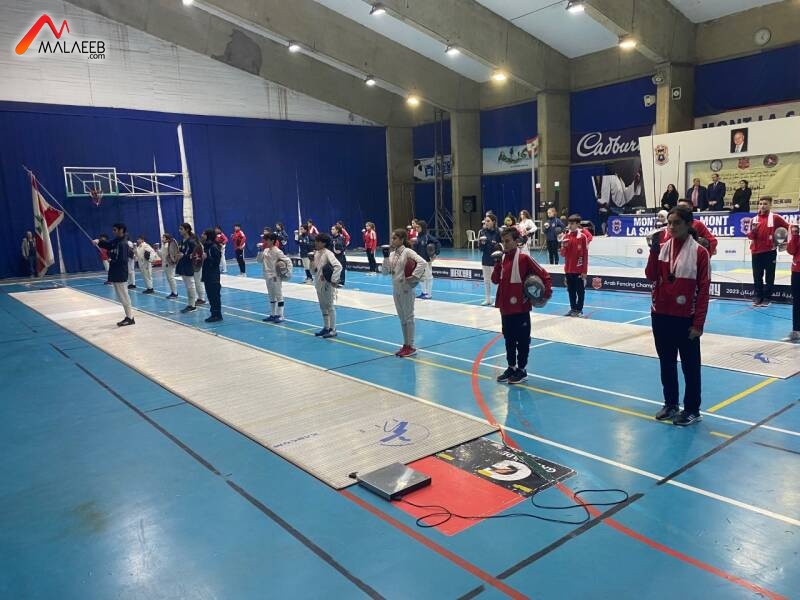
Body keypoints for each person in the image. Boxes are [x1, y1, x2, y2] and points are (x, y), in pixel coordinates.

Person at [646, 206, 710, 426]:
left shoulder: (700, 253)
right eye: (669, 223)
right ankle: (671, 403)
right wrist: (653, 251)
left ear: (688, 224)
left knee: (690, 367)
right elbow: (650, 275)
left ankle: (692, 410)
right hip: (661, 315)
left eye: (677, 223)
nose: (671, 227)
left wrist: (698, 324)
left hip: (686, 318)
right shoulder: (662, 248)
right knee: (667, 363)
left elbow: (704, 291)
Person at [492, 227, 552, 385]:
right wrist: (497, 264)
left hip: (520, 307)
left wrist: (545, 295)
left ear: (516, 241)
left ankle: (522, 370)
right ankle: (511, 367)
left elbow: (544, 275)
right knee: (509, 339)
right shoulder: (502, 259)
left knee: (523, 340)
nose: (504, 244)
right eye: (503, 241)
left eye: (507, 241)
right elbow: (495, 280)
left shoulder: (524, 258)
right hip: (505, 307)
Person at [381, 228, 427, 357]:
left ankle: (411, 346)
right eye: (392, 238)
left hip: (407, 289)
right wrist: (385, 258)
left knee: (409, 318)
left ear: (401, 239)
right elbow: (385, 272)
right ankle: (405, 345)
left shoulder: (407, 251)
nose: (392, 240)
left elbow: (422, 262)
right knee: (402, 319)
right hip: (396, 289)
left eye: (395, 238)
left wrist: (414, 276)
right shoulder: (391, 254)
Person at [747, 196, 790, 307]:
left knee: (769, 276)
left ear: (770, 205)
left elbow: (789, 228)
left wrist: (782, 241)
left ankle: (767, 298)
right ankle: (758, 297)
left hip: (770, 252)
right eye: (761, 203)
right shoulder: (754, 219)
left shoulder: (775, 218)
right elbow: (750, 236)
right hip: (756, 252)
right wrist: (753, 231)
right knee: (757, 276)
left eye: (765, 204)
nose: (762, 206)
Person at [93, 223, 135, 326]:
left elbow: (123, 260)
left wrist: (111, 260)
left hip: (120, 272)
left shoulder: (123, 244)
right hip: (115, 272)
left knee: (124, 296)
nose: (113, 232)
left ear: (121, 230)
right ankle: (128, 317)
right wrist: (98, 241)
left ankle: (130, 318)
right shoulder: (117, 241)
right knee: (121, 297)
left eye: (115, 230)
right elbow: (108, 244)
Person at [310, 232, 342, 338]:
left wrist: (333, 279)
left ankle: (333, 329)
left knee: (330, 306)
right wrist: (311, 261)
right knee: (323, 306)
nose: (315, 243)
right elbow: (313, 271)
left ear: (323, 243)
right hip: (318, 284)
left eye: (318, 241)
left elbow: (338, 266)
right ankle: (326, 327)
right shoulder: (316, 254)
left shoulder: (328, 253)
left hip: (327, 285)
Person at [561, 214, 590, 317]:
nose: (570, 225)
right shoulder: (566, 237)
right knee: (571, 291)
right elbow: (563, 254)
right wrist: (563, 247)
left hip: (578, 270)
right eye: (569, 223)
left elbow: (585, 255)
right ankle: (573, 308)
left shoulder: (582, 237)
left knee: (580, 291)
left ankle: (579, 309)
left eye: (572, 223)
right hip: (568, 269)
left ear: (578, 224)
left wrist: (584, 271)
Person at [260, 233, 291, 323]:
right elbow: (259, 260)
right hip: (267, 275)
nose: (265, 242)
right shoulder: (265, 250)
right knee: (271, 295)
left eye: (267, 240)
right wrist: (260, 251)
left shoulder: (277, 251)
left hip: (275, 276)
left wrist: (286, 273)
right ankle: (273, 314)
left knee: (278, 295)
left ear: (272, 241)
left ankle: (281, 315)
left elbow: (288, 261)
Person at [413, 220, 440, 300]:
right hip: (419, 261)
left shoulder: (427, 236)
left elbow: (437, 243)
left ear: (423, 227)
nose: (416, 228)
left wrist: (435, 254)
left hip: (426, 261)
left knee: (429, 277)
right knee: (421, 277)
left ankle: (429, 294)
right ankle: (424, 292)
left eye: (418, 227)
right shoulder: (418, 237)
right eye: (416, 227)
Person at [478, 214, 502, 305]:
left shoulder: (498, 232)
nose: (486, 223)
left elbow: (502, 246)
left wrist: (497, 247)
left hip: (495, 261)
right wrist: (482, 244)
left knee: (496, 280)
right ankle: (488, 299)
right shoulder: (482, 232)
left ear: (493, 222)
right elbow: (480, 249)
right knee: (486, 280)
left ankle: (497, 299)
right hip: (485, 259)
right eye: (485, 221)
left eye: (488, 221)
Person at [200, 228, 223, 323]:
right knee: (210, 295)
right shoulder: (206, 246)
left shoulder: (213, 247)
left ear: (208, 235)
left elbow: (216, 262)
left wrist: (207, 257)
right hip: (207, 274)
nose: (202, 235)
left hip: (213, 275)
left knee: (215, 296)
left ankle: (217, 315)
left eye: (203, 234)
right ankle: (213, 314)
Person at [176, 223, 199, 313]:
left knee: (190, 286)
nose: (179, 231)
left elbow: (196, 253)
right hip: (183, 265)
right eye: (179, 229)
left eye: (181, 229)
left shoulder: (191, 241)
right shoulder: (182, 241)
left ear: (187, 230)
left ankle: (192, 305)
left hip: (189, 265)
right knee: (187, 286)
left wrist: (184, 256)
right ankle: (190, 304)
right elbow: (181, 252)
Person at [786, 224, 800, 342]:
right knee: (797, 301)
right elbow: (791, 250)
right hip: (797, 271)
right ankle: (796, 330)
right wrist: (795, 235)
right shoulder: (795, 234)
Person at [160, 233, 179, 298]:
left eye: (163, 237)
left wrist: (172, 261)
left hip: (170, 264)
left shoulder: (170, 245)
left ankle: (175, 293)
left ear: (167, 239)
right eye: (162, 237)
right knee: (169, 279)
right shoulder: (163, 246)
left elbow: (173, 254)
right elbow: (162, 256)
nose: (162, 239)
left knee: (171, 278)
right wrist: (157, 250)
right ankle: (173, 292)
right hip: (165, 264)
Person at [191, 233, 207, 305]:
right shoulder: (195, 246)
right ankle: (199, 297)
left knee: (199, 282)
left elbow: (199, 256)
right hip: (195, 265)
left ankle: (202, 298)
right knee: (196, 282)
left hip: (199, 265)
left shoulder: (199, 246)